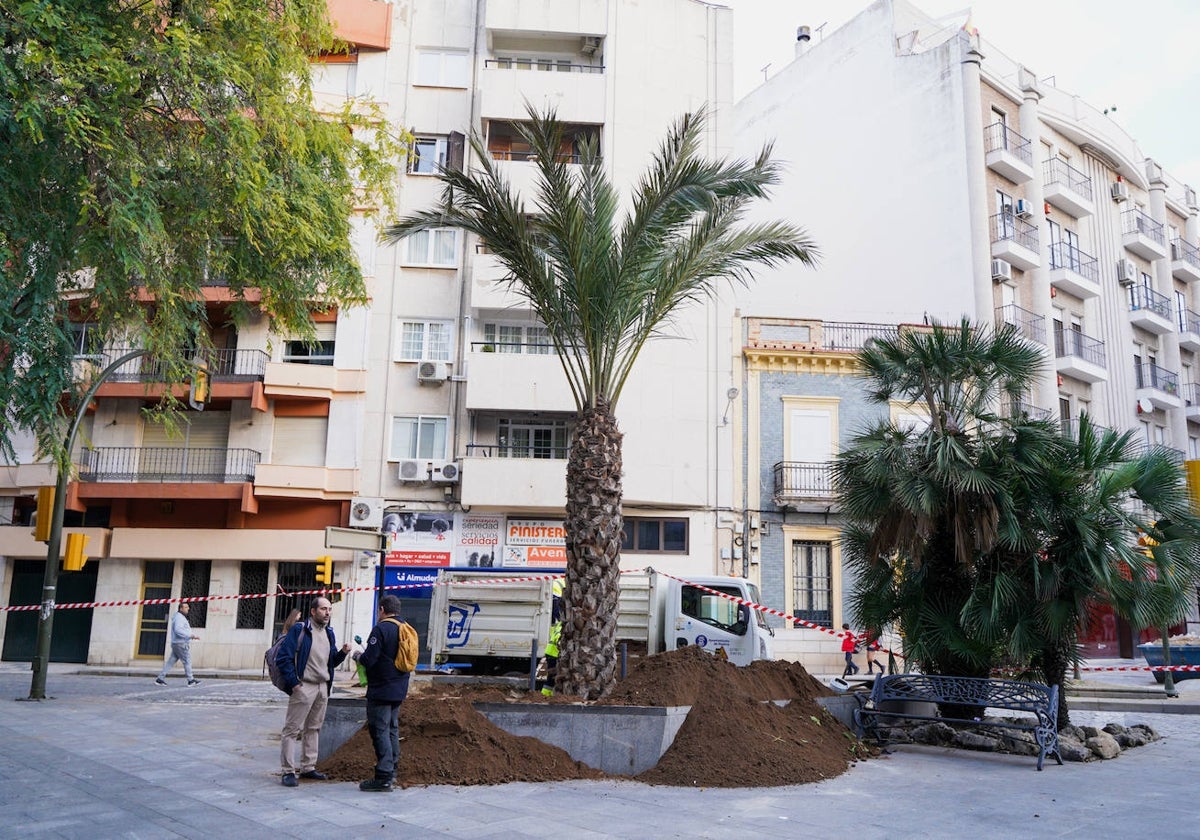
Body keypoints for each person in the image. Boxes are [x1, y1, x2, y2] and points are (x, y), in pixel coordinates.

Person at [276, 596, 350, 787]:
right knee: (292, 730)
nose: (327, 613)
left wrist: (342, 653)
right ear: (313, 611)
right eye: (324, 609)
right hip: (304, 686)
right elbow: (284, 658)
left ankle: (308, 767)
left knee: (314, 728)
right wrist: (294, 684)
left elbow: (331, 661)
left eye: (330, 609)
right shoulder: (300, 630)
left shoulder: (329, 633)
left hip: (322, 687)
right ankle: (288, 771)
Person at [352, 595, 411, 792]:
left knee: (379, 730)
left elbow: (370, 659)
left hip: (381, 690)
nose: (378, 613)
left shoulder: (382, 628)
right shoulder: (405, 627)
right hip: (399, 689)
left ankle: (383, 776)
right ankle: (392, 769)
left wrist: (358, 656)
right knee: (392, 728)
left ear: (383, 609)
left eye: (379, 610)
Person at [155, 602, 200, 686]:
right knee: (187, 661)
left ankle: (160, 678)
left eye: (188, 607)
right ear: (181, 609)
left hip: (177, 643)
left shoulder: (179, 617)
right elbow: (178, 630)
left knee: (170, 662)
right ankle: (191, 680)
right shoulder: (179, 618)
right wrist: (190, 635)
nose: (188, 609)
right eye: (186, 607)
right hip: (181, 643)